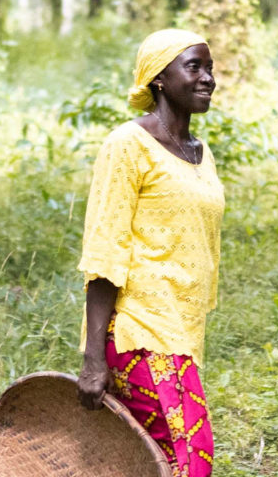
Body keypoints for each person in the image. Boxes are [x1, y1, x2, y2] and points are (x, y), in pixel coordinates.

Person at [76, 29, 224, 477]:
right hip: (139, 331)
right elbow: (105, 250)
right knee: (190, 461)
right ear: (158, 78)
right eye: (193, 66)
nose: (208, 78)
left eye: (210, 67)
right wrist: (93, 357)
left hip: (182, 332)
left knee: (152, 463)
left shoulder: (201, 152)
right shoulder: (127, 145)